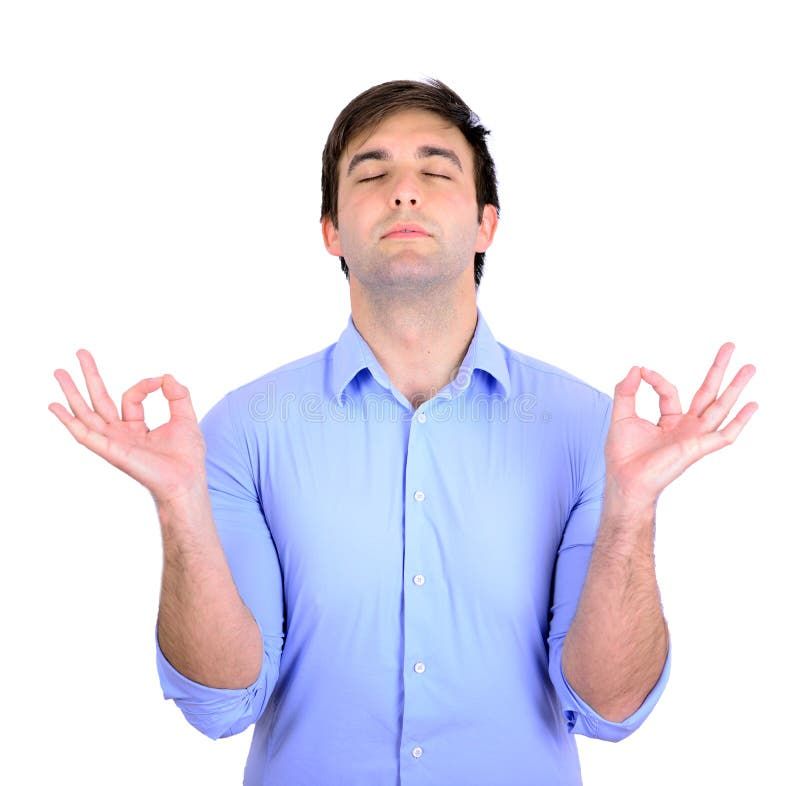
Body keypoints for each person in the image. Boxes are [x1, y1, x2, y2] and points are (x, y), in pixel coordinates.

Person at [48, 77, 758, 785]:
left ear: (486, 224)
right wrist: (180, 507)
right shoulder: (242, 430)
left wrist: (632, 510)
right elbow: (221, 704)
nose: (404, 191)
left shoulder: (591, 432)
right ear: (331, 231)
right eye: (373, 171)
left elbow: (610, 705)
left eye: (435, 169)